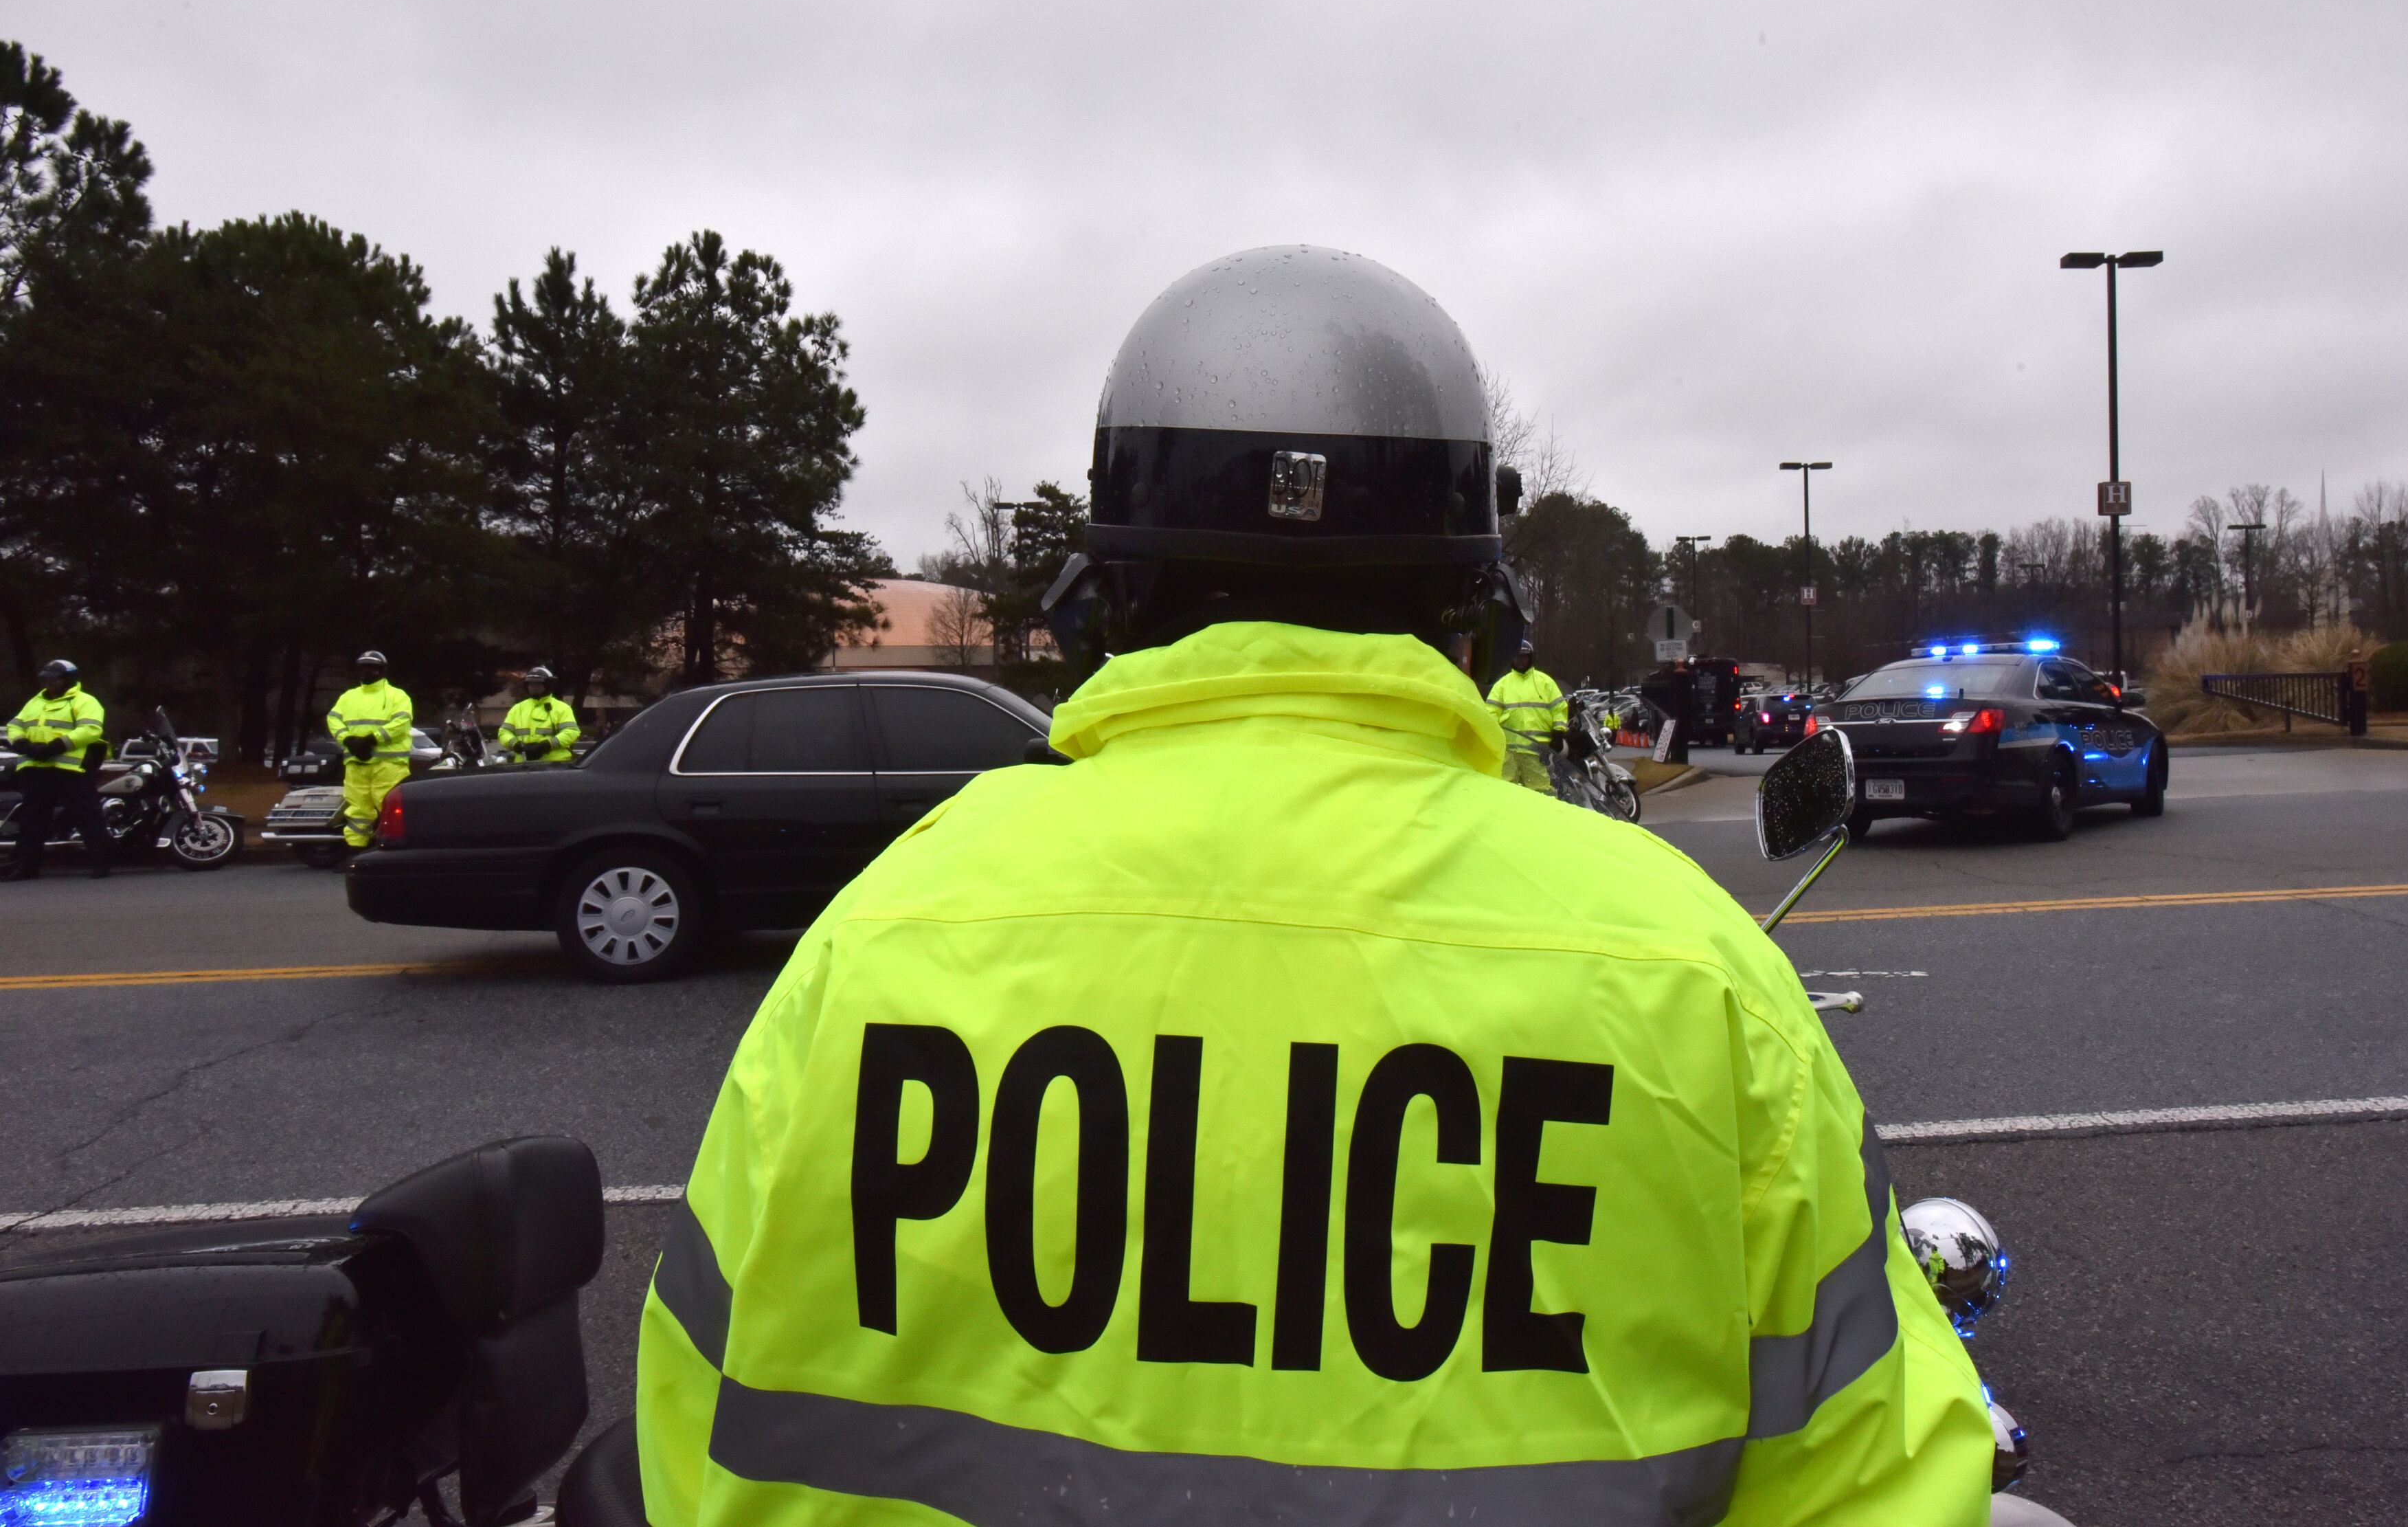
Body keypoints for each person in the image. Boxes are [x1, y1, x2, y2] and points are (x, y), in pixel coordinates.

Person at [636, 247, 1991, 1526]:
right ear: (1473, 599)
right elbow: (1875, 1478)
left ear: (1108, 590)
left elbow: (691, 1429)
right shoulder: (1688, 969)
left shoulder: (882, 935)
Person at [5, 659, 111, 880]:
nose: (47, 682)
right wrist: (23, 744)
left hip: (69, 770)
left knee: (87, 816)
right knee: (32, 820)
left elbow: (91, 730)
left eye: (52, 678)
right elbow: (14, 725)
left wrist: (57, 746)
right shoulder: (35, 702)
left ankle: (101, 865)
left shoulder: (84, 701)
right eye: (45, 678)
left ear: (68, 680)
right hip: (36, 768)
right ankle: (27, 868)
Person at [326, 650, 414, 850]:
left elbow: (401, 723)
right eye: (364, 667)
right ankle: (356, 851)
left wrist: (372, 740)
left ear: (382, 670)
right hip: (357, 764)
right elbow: (333, 719)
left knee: (391, 808)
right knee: (358, 812)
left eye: (372, 668)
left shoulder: (397, 696)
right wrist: (348, 740)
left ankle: (394, 850)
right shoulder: (348, 697)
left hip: (388, 765)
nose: (367, 672)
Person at [1486, 638, 1568, 794]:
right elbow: (1491, 712)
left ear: (1531, 658)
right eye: (1517, 657)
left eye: (1524, 657)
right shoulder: (1503, 684)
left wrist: (1558, 733)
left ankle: (1546, 818)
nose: (1520, 661)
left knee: (1541, 791)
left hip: (1536, 751)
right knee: (1507, 791)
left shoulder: (1545, 682)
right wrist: (1489, 735)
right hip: (1509, 751)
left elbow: (1559, 708)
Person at [498, 666, 581, 763]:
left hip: (555, 766)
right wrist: (517, 745)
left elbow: (571, 732)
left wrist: (546, 746)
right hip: (523, 765)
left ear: (548, 685)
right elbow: (504, 733)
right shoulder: (518, 709)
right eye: (531, 684)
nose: (534, 688)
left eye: (538, 684)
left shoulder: (562, 708)